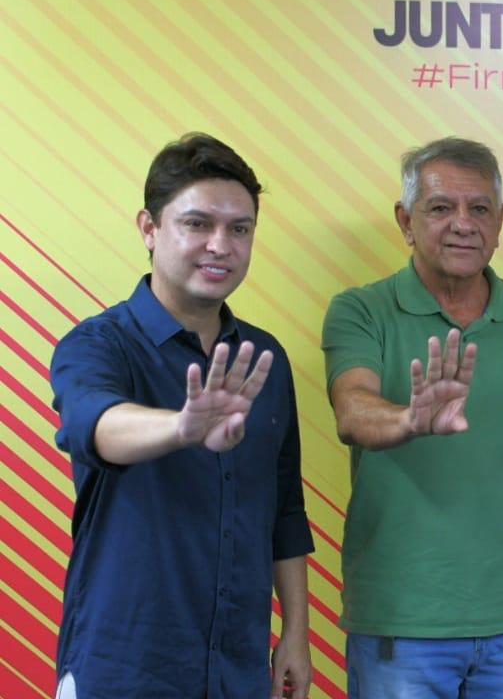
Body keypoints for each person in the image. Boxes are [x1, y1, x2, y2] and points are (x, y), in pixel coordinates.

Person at [49, 133, 314, 699]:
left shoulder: (263, 358)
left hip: (238, 670)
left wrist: (296, 631)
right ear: (149, 228)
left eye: (239, 229)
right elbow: (97, 426)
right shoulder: (96, 345)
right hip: (122, 667)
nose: (221, 245)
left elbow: (285, 509)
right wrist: (181, 428)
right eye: (197, 224)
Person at [321, 137, 503, 698]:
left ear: (500, 221)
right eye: (440, 207)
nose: (463, 223)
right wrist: (409, 420)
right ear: (405, 221)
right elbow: (352, 409)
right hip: (400, 617)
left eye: (479, 208)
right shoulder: (360, 310)